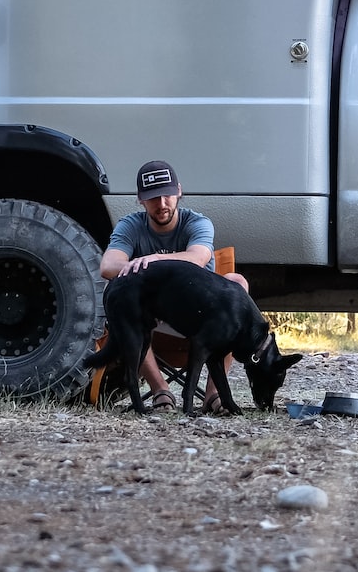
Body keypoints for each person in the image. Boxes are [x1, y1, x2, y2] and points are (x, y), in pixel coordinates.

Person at [100, 160, 249, 410]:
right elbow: (108, 266)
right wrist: (140, 266)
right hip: (151, 321)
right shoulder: (131, 226)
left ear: (179, 191)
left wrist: (155, 259)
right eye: (153, 198)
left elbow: (198, 258)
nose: (162, 204)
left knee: (237, 282)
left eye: (167, 195)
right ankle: (161, 391)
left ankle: (215, 395)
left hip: (200, 319)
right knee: (116, 294)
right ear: (140, 199)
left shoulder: (197, 223)